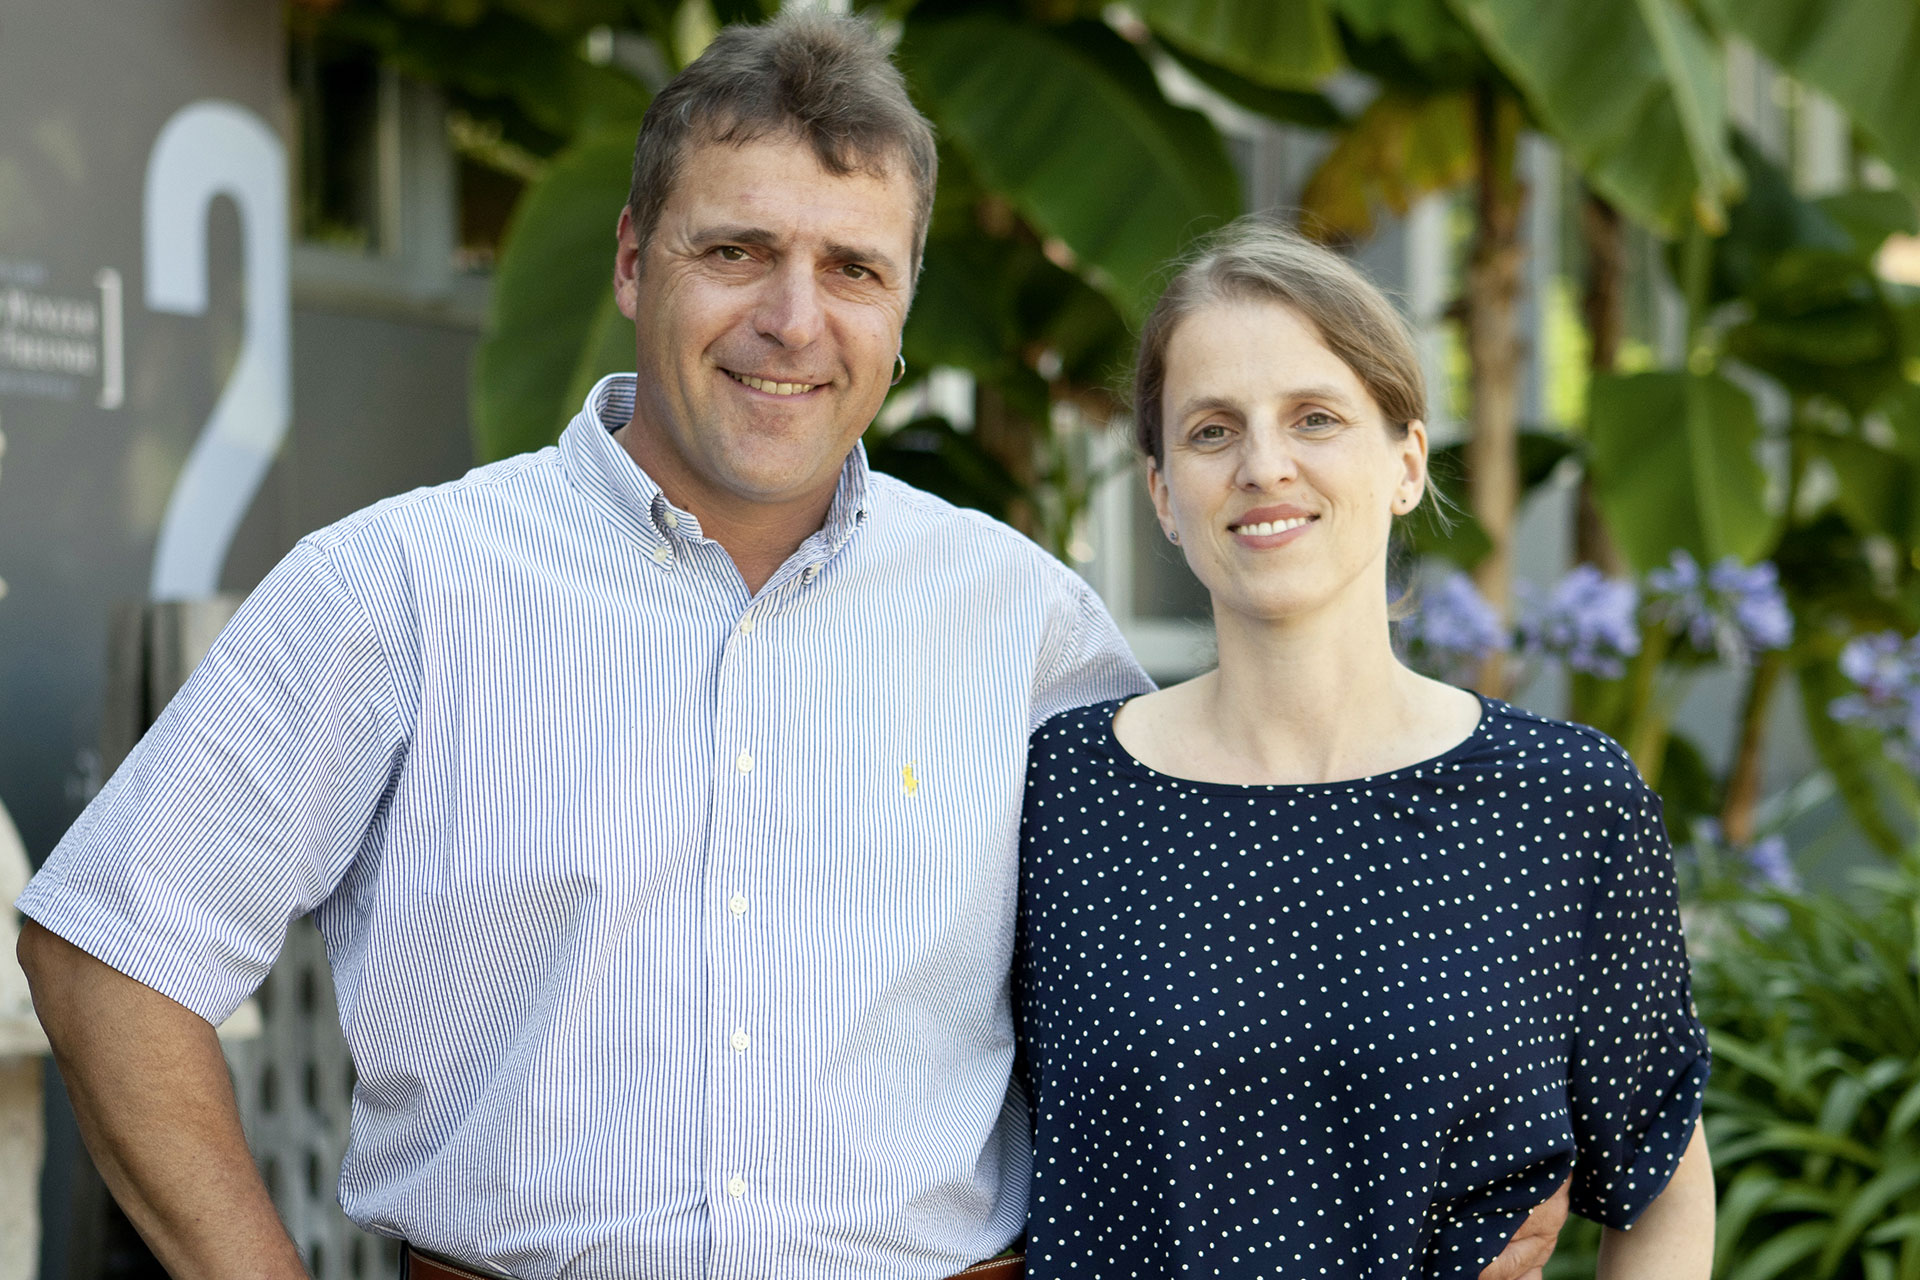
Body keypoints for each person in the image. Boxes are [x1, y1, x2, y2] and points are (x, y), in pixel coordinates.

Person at [17, 13, 1564, 1280]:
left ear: (902, 313)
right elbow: (107, 947)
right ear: (633, 263)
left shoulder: (1025, 627)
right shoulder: (401, 588)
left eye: (853, 270)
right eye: (736, 251)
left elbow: (1210, 994)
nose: (793, 319)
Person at [1015, 220, 1715, 1279]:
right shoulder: (1058, 793)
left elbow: (1658, 1185)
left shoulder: (1565, 801)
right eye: (1211, 431)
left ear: (1405, 460)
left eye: (1316, 417)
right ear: (1161, 493)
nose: (1264, 465)